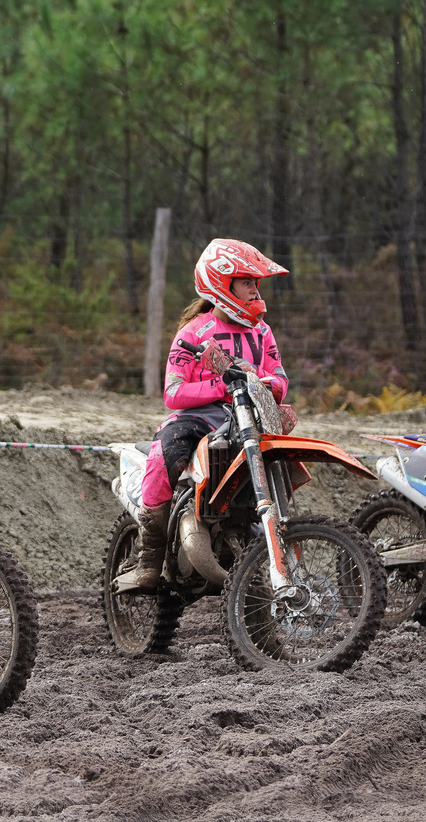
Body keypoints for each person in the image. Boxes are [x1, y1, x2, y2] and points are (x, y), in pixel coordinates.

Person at [115, 239, 291, 591]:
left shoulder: (262, 332)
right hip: (201, 418)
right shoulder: (193, 332)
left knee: (283, 460)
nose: (255, 289)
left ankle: (279, 541)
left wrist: (267, 383)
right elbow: (173, 393)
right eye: (247, 282)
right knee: (166, 449)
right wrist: (221, 386)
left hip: (250, 419)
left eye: (256, 283)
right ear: (221, 284)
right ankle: (149, 560)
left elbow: (280, 377)